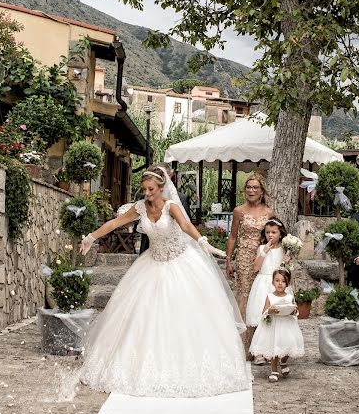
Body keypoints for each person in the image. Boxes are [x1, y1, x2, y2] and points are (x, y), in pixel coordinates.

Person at [78, 165, 249, 397]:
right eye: (145, 189)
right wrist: (91, 236)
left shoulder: (171, 207)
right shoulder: (140, 207)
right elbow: (115, 223)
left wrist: (202, 242)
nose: (147, 193)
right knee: (144, 316)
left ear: (161, 188)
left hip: (180, 263)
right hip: (152, 265)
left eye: (151, 189)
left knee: (183, 316)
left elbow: (187, 226)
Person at [225, 172, 275, 355]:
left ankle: (261, 346)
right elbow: (232, 236)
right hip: (244, 259)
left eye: (255, 187)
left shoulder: (269, 212)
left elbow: (274, 235)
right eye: (248, 187)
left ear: (261, 191)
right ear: (244, 190)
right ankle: (244, 347)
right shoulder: (239, 211)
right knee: (244, 298)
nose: (251, 190)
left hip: (263, 258)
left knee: (261, 297)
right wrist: (229, 260)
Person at [245, 218, 292, 365]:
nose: (270, 235)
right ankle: (259, 353)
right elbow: (256, 267)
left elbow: (287, 272)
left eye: (274, 232)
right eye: (267, 232)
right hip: (263, 284)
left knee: (278, 319)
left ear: (280, 233)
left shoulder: (285, 249)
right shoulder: (261, 248)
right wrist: (265, 251)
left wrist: (287, 261)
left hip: (278, 285)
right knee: (262, 318)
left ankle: (274, 350)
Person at [249, 269, 304, 382]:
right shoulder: (270, 296)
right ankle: (274, 370)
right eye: (277, 280)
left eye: (283, 281)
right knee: (274, 348)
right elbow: (264, 311)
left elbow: (295, 310)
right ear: (273, 282)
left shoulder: (289, 297)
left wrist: (293, 312)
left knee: (290, 346)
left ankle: (283, 361)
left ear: (287, 283)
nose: (280, 283)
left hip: (286, 326)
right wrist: (270, 311)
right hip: (274, 326)